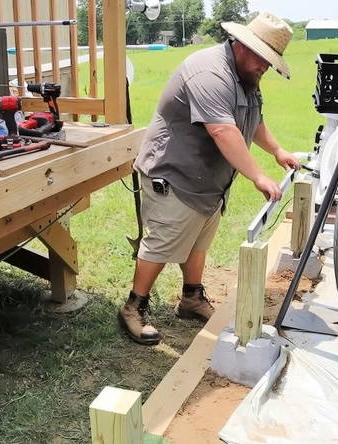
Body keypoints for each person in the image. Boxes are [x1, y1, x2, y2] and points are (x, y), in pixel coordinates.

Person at [118, 12, 300, 345]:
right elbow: (221, 129)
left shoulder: (246, 77)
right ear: (243, 46)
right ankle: (133, 307)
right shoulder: (210, 73)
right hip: (173, 175)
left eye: (271, 62)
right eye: (263, 59)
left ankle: (190, 299)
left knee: (197, 242)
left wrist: (277, 151)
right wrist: (258, 176)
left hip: (207, 181)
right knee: (161, 246)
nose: (266, 67)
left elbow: (253, 120)